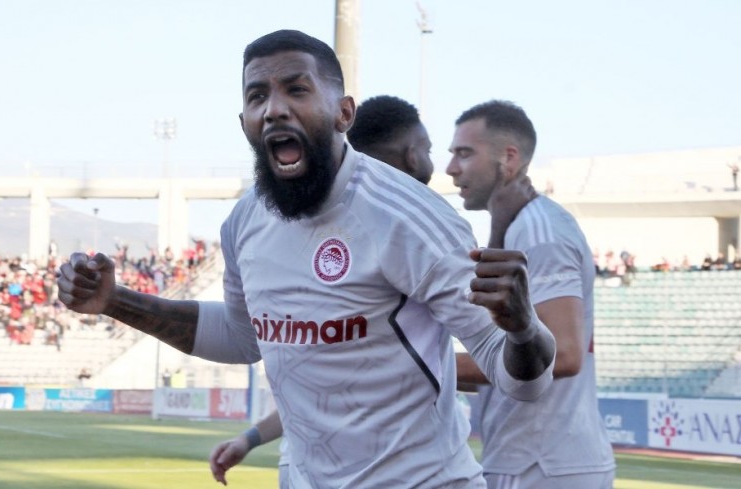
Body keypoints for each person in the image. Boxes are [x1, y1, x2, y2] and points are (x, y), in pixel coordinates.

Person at [57, 30, 556, 488]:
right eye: (257, 96)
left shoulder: (409, 218)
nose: (275, 109)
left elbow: (524, 382)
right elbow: (241, 336)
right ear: (244, 123)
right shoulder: (244, 223)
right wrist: (115, 301)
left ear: (344, 114)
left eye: (297, 90)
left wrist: (522, 329)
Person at [209, 94, 446, 486]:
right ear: (411, 156)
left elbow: (319, 384)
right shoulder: (412, 238)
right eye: (430, 151)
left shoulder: (302, 235)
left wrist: (249, 439)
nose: (444, 167)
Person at [446, 99, 615, 489]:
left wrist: (424, 363)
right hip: (538, 459)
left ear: (509, 158)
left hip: (540, 463)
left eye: (464, 153)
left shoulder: (539, 231)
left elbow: (565, 354)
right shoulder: (522, 225)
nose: (451, 168)